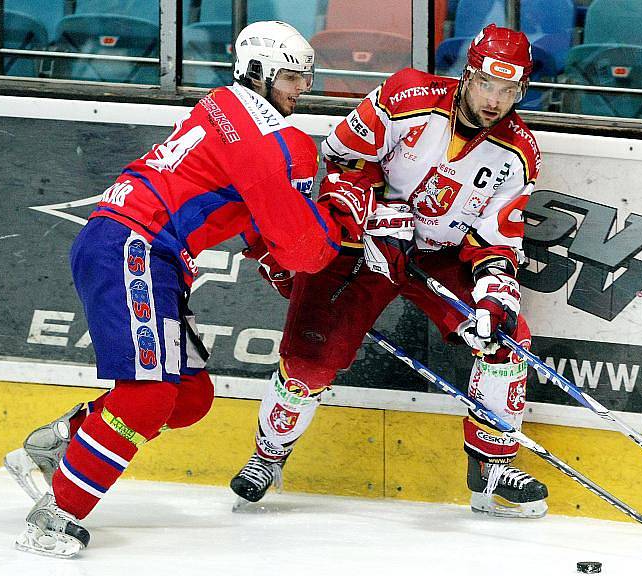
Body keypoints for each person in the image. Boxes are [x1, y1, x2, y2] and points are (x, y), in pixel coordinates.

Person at [4, 20, 375, 558]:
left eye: (307, 78)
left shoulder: (225, 105)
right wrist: (342, 214)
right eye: (293, 78)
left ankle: (61, 442)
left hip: (143, 248)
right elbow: (302, 247)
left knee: (187, 398)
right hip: (135, 247)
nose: (303, 91)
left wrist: (268, 250)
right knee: (148, 396)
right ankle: (55, 514)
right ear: (260, 73)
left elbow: (237, 203)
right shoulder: (277, 141)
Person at [230, 23, 549, 519]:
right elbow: (338, 157)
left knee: (507, 339)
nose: (495, 100)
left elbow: (496, 240)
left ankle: (490, 468)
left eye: (509, 90)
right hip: (361, 241)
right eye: (488, 84)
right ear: (467, 75)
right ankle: (268, 456)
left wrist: (493, 298)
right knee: (311, 356)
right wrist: (381, 218)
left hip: (437, 259)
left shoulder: (519, 153)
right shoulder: (407, 95)